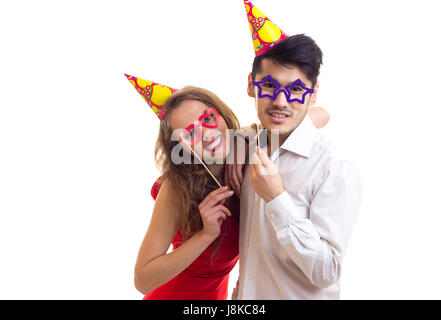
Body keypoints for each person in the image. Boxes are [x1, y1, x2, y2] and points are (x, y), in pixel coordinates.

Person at [125, 74, 331, 299]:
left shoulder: (247, 148)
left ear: (220, 112)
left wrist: (243, 141)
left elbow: (321, 114)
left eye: (208, 118)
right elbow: (143, 280)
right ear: (180, 147)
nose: (207, 133)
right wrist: (205, 235)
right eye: (190, 133)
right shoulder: (177, 188)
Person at [230, 1, 362, 299]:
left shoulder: (333, 167)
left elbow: (326, 271)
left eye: (296, 90)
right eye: (269, 86)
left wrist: (277, 199)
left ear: (313, 94)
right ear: (251, 86)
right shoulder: (250, 145)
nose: (280, 101)